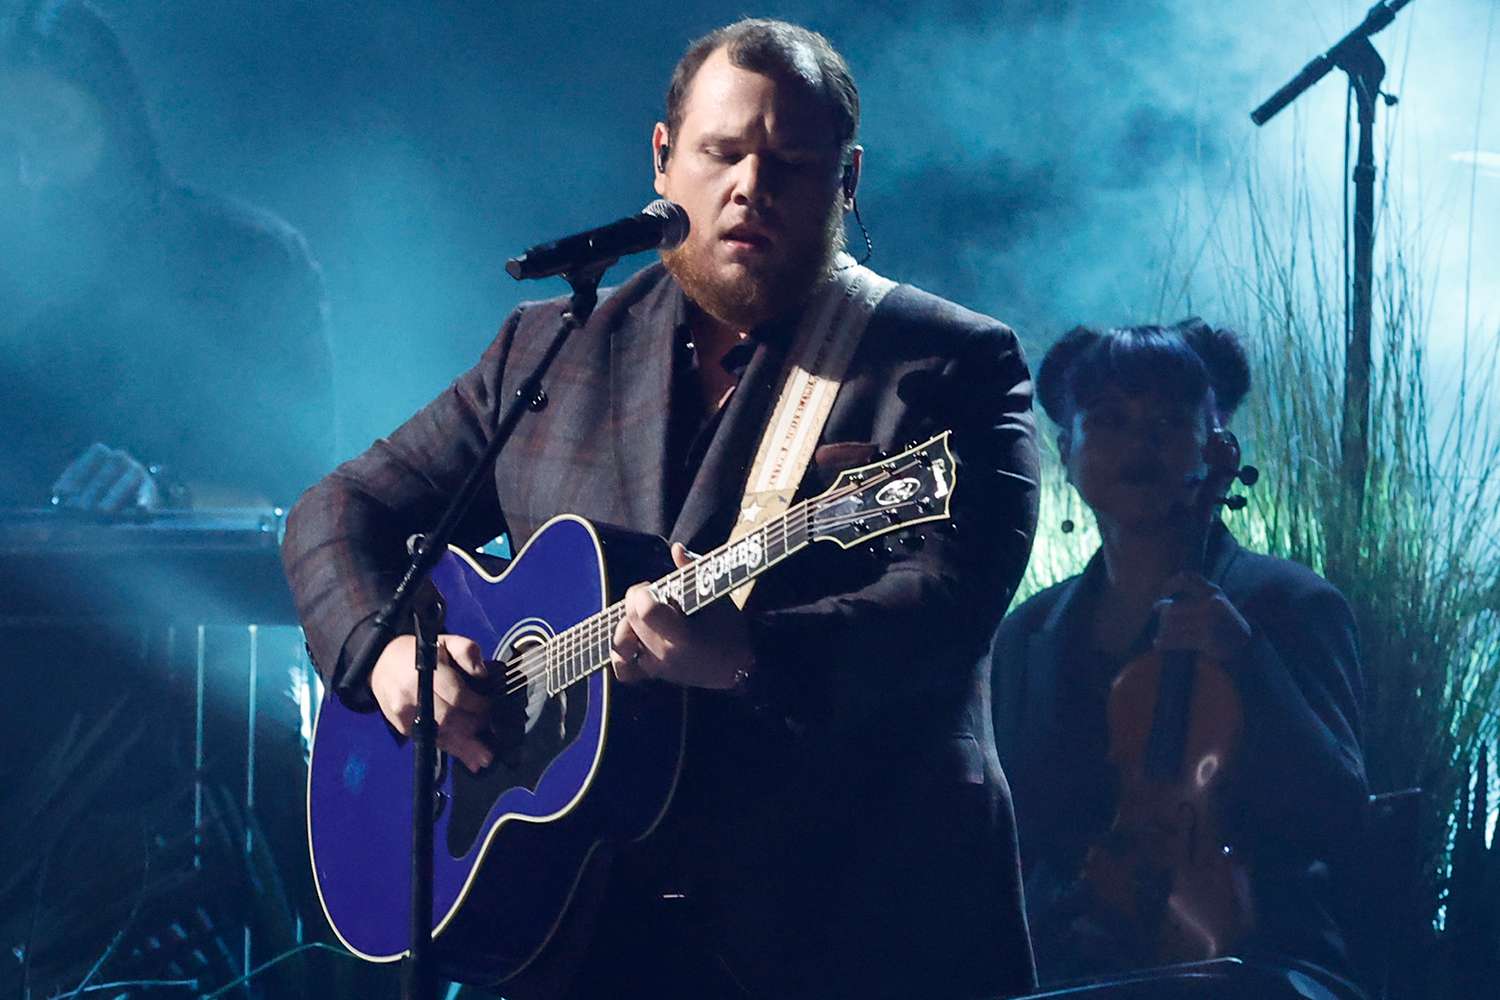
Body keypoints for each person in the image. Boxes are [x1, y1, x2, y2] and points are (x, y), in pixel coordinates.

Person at [283, 18, 1040, 1000]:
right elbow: (336, 511)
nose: (750, 188)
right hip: (581, 932)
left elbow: (950, 601)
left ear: (846, 183)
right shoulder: (549, 347)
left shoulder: (946, 359)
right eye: (722, 153)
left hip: (847, 927)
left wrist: (746, 649)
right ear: (663, 159)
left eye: (792, 165)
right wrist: (390, 655)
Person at [990, 320, 1370, 996]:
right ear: (1066, 449)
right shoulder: (1029, 635)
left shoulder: (1288, 603)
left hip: (1262, 959)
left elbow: (1339, 812)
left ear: (1214, 442)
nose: (1141, 443)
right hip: (1076, 964)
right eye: (1109, 421)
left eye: (1169, 420)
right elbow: (1018, 838)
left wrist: (1250, 664)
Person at [0, 0, 334, 512]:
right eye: (8, 145)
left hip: (210, 582)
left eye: (53, 129)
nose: (31, 173)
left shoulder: (248, 257)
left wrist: (164, 495)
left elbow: (300, 492)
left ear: (115, 112)